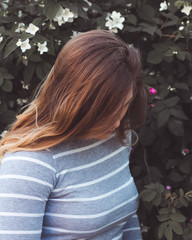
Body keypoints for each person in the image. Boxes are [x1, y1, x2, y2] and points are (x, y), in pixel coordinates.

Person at [0, 29, 147, 240]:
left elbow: (125, 219)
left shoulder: (115, 137)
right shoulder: (31, 163)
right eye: (104, 113)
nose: (116, 123)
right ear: (75, 104)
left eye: (123, 105)